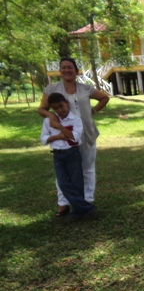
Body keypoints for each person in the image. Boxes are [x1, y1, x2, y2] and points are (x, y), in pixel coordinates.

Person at [38, 57, 110, 217]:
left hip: (86, 133)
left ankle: (87, 200)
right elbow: (42, 109)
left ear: (76, 71)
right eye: (63, 68)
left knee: (87, 169)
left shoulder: (85, 88)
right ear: (60, 71)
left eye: (70, 67)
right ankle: (63, 204)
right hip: (63, 135)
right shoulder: (51, 89)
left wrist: (93, 111)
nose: (66, 70)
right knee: (63, 172)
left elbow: (104, 97)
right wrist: (50, 115)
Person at [40, 93, 97, 221]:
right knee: (63, 183)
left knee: (77, 182)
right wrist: (57, 136)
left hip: (72, 153)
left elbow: (74, 137)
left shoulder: (75, 119)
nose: (60, 110)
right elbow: (43, 139)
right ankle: (87, 209)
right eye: (55, 108)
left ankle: (78, 212)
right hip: (57, 155)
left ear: (67, 103)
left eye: (61, 106)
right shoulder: (48, 121)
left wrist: (59, 127)